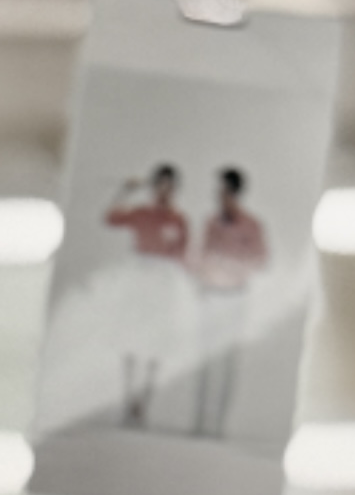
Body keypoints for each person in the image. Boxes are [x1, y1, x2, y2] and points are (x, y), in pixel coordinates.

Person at [95, 157, 194, 423]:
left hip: (163, 280)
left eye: (169, 186)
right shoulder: (141, 213)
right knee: (131, 335)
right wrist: (125, 192)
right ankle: (129, 397)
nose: (164, 191)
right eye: (160, 185)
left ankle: (144, 402)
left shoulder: (179, 220)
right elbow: (110, 218)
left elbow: (182, 254)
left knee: (156, 340)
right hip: (140, 275)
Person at [182, 163, 270, 437]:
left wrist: (235, 265)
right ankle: (200, 422)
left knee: (227, 361)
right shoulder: (212, 223)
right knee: (206, 360)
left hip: (234, 296)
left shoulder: (251, 225)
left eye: (223, 190)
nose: (219, 196)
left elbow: (261, 259)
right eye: (218, 191)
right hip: (212, 294)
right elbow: (202, 255)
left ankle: (218, 424)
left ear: (234, 192)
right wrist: (202, 276)